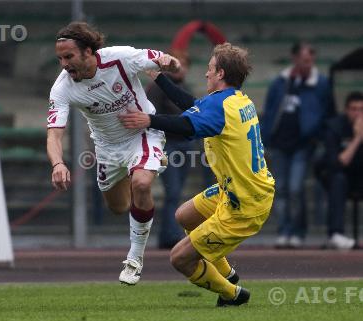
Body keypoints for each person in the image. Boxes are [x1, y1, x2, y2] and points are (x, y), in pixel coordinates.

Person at [119, 43, 275, 306]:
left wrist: (149, 120)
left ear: (221, 73)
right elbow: (191, 106)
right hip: (240, 190)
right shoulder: (235, 100)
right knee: (185, 215)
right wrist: (159, 78)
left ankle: (231, 294)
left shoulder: (220, 106)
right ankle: (228, 273)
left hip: (244, 204)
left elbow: (185, 126)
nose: (206, 74)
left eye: (210, 69)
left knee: (179, 258)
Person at [46, 22, 180, 285]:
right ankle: (141, 168)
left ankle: (134, 259)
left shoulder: (121, 58)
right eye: (60, 58)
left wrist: (171, 63)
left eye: (69, 56)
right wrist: (58, 163)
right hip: (107, 148)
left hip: (142, 132)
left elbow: (162, 59)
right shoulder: (62, 88)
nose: (64, 63)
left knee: (142, 184)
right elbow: (54, 133)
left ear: (88, 52)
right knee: (118, 207)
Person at [261, 42, 330, 248]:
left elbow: (324, 111)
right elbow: (270, 111)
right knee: (280, 189)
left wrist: (314, 135)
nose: (308, 65)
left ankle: (298, 231)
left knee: (295, 188)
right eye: (305, 60)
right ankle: (284, 230)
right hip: (279, 143)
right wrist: (266, 138)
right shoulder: (280, 82)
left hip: (302, 144)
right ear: (295, 59)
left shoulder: (320, 83)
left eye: (311, 61)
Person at [145, 50, 193, 249]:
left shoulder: (183, 87)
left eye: (184, 64)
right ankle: (169, 235)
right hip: (168, 145)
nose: (180, 69)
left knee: (177, 191)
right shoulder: (158, 87)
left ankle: (170, 233)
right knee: (172, 191)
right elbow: (150, 115)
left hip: (186, 144)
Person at [317, 91, 363, 249]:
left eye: (361, 109)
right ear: (346, 110)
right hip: (335, 174)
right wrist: (357, 138)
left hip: (359, 175)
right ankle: (335, 234)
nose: (357, 113)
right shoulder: (334, 127)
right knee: (339, 180)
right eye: (354, 109)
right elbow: (337, 162)